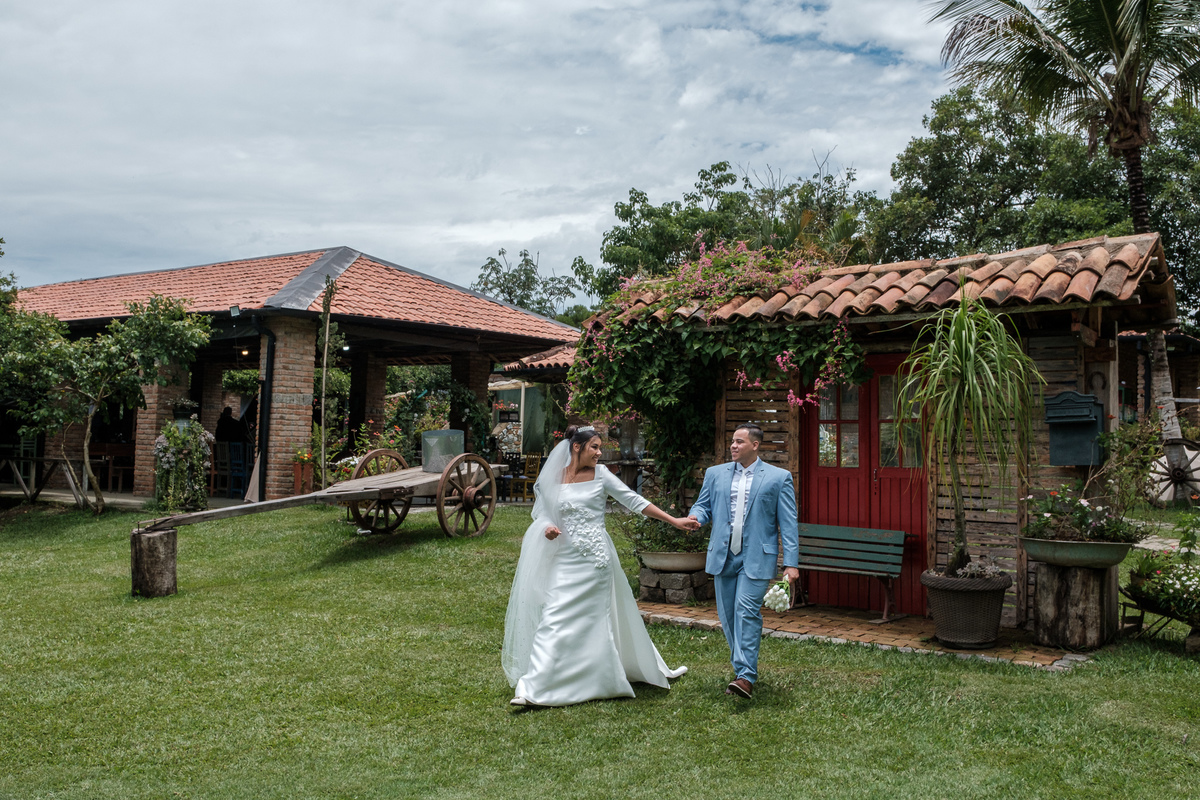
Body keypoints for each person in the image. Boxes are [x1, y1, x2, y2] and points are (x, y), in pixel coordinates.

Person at [502, 425, 697, 707]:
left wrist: (674, 521)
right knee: (554, 617)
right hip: (563, 559)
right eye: (594, 447)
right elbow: (542, 513)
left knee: (593, 621)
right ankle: (537, 685)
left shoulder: (601, 474)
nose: (599, 453)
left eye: (599, 447)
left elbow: (634, 500)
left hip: (595, 561)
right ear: (577, 447)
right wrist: (547, 527)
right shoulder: (553, 478)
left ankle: (595, 679)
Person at [687, 423, 799, 699]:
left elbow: (788, 523)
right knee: (728, 616)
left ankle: (746, 676)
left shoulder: (778, 478)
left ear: (755, 445)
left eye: (739, 442)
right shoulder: (715, 474)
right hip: (722, 555)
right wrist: (696, 516)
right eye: (732, 441)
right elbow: (703, 505)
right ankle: (741, 671)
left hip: (758, 556)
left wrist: (791, 563)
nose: (733, 446)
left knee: (746, 611)